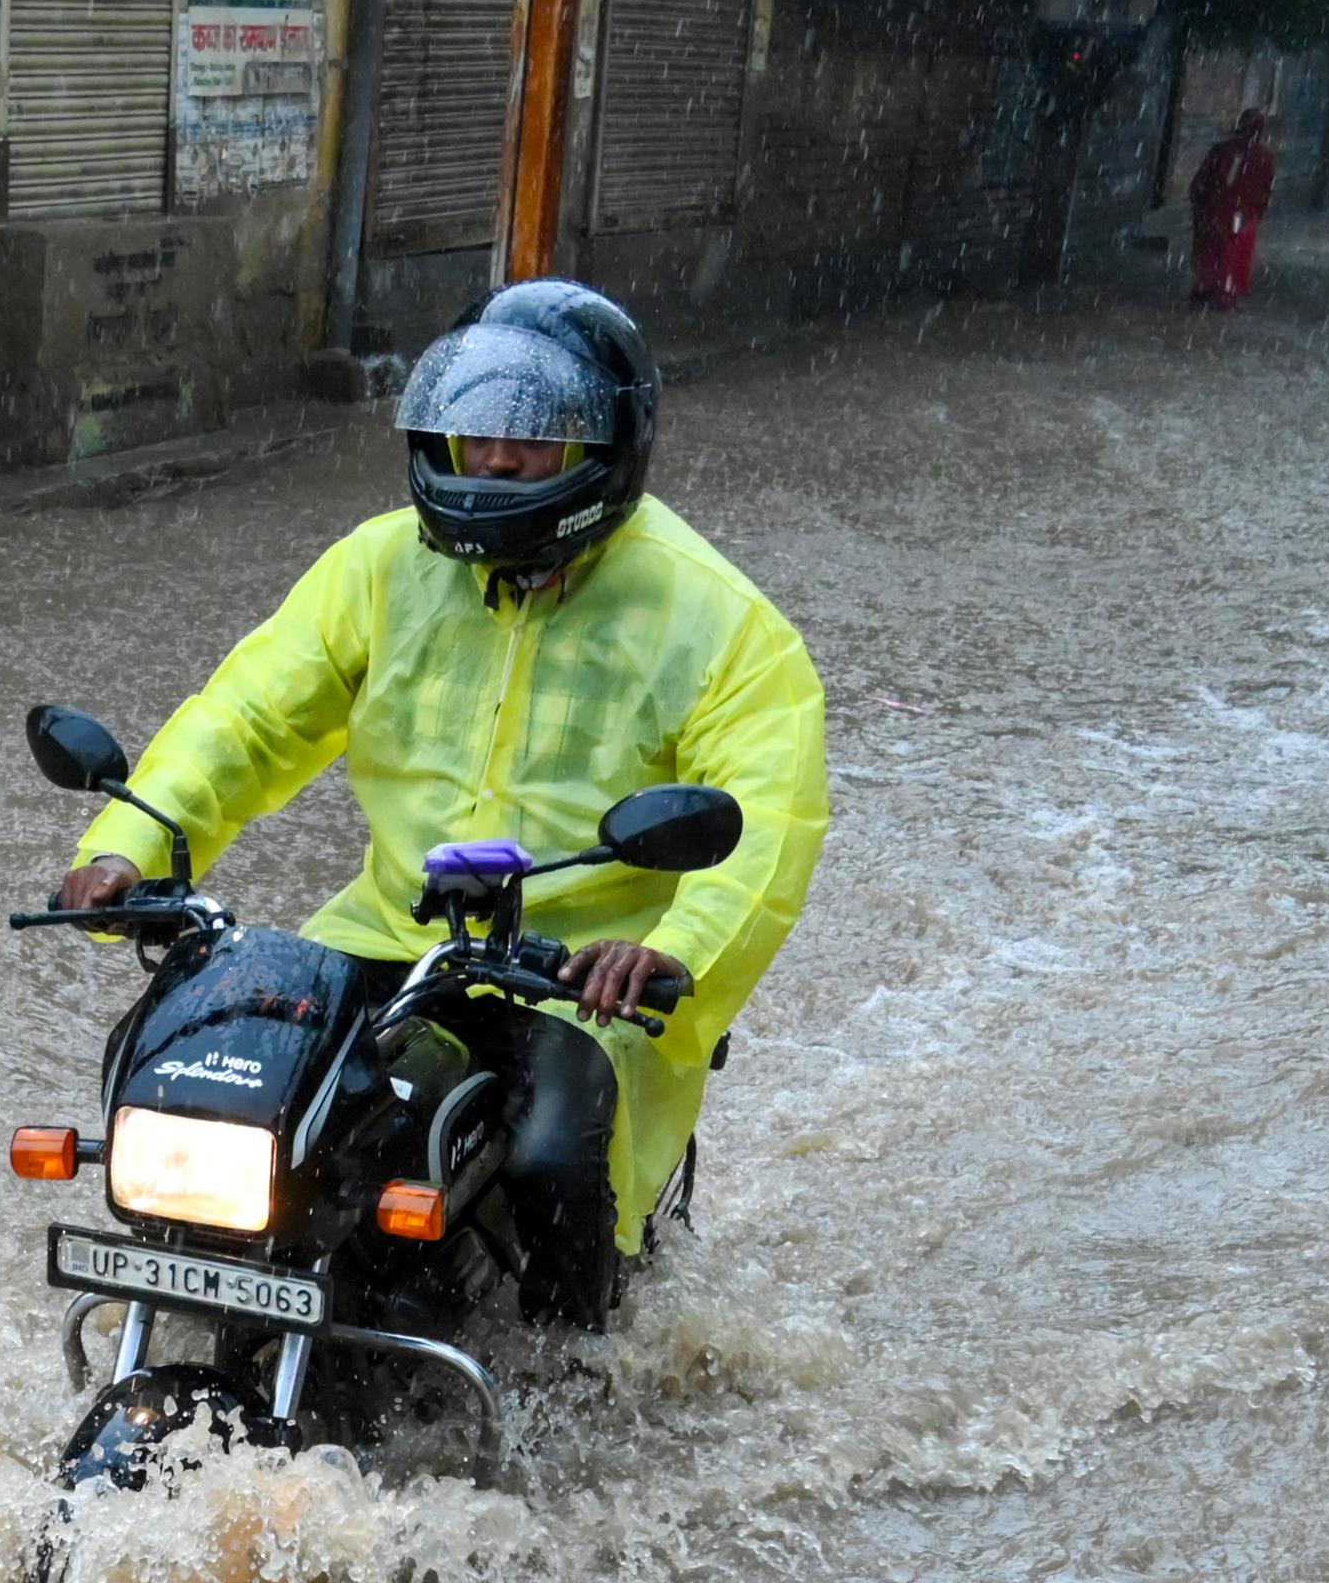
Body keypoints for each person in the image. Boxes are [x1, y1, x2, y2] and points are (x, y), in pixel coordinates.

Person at [51, 282, 827, 1326]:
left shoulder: (719, 620)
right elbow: (244, 720)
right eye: (476, 434)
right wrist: (132, 847)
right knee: (179, 1064)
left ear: (607, 445)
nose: (496, 459)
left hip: (578, 979)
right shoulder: (378, 569)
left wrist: (672, 945)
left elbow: (765, 821)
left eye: (533, 437)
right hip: (389, 937)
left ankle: (576, 1386)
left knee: (557, 1156)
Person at [1190, 109, 1277, 305]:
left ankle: (1207, 286)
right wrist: (1256, 211)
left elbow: (1202, 181)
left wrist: (1201, 202)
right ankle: (1225, 292)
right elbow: (1265, 189)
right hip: (1241, 213)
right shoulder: (1263, 157)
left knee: (1212, 249)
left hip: (1216, 209)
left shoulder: (1222, 151)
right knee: (1232, 252)